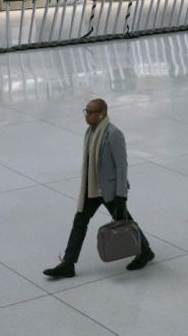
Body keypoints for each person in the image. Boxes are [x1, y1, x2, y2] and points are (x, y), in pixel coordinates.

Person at [43, 98, 154, 278]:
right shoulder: (91, 132)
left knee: (124, 222)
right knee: (79, 222)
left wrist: (121, 194)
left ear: (102, 113)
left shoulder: (113, 133)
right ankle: (68, 263)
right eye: (85, 111)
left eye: (90, 112)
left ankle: (145, 251)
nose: (86, 116)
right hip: (92, 188)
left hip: (109, 190)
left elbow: (121, 164)